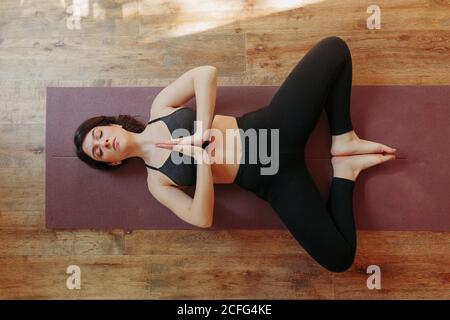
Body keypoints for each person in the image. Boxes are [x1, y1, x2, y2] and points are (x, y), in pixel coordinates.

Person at [74, 36, 397, 272]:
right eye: (98, 152)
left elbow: (205, 73)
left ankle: (343, 138)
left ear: (112, 124)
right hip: (273, 179)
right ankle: (346, 174)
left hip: (274, 126)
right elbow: (202, 219)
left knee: (333, 49)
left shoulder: (160, 108)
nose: (103, 144)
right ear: (112, 162)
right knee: (338, 258)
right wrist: (201, 161)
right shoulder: (157, 183)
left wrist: (200, 131)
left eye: (100, 135)